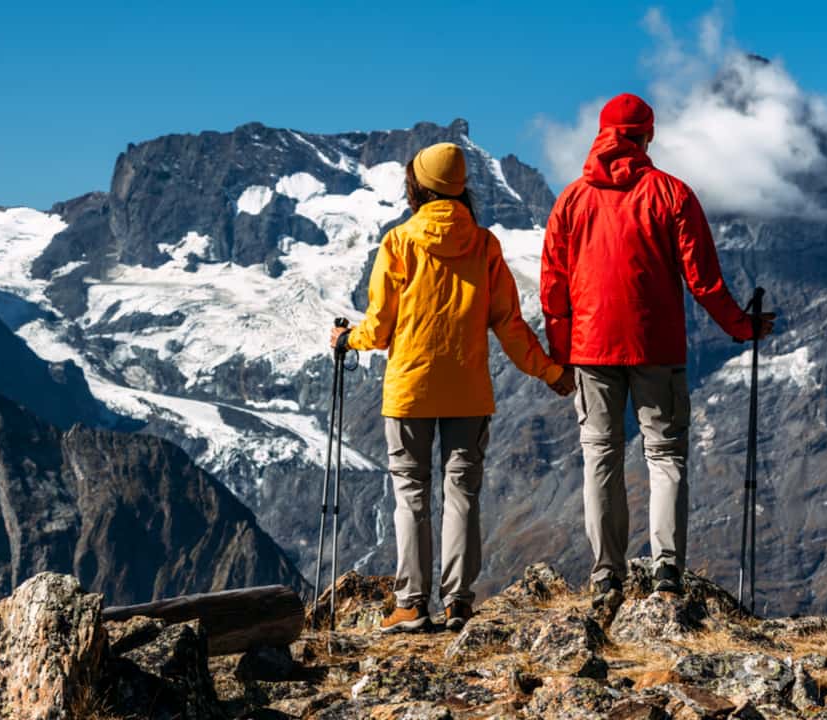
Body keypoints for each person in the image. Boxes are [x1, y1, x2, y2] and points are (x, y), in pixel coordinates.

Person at [540, 94, 775, 607]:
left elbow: (554, 291)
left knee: (600, 456)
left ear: (602, 134)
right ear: (647, 135)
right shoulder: (672, 194)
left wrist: (562, 355)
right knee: (665, 455)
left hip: (592, 350)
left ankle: (607, 573)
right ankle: (667, 570)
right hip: (657, 347)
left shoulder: (572, 200)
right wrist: (742, 328)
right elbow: (704, 281)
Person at [331, 142, 575, 634]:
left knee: (411, 494)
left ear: (416, 185)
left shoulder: (399, 243)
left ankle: (412, 604)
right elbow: (509, 325)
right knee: (462, 492)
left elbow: (378, 329)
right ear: (461, 187)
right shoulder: (484, 246)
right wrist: (549, 371)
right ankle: (459, 602)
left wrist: (345, 339)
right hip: (468, 391)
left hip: (410, 390)